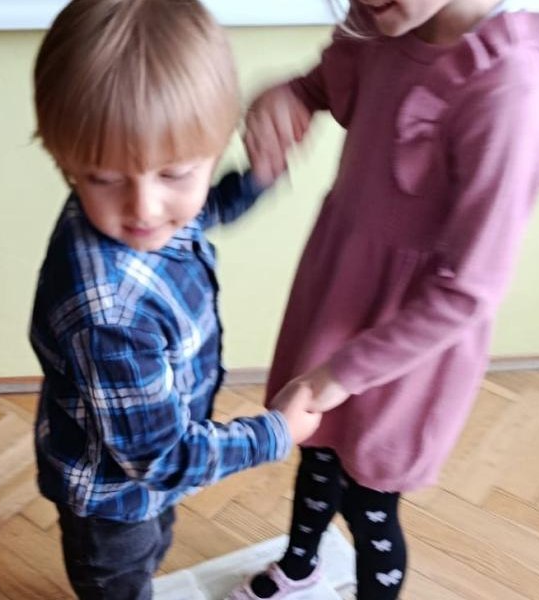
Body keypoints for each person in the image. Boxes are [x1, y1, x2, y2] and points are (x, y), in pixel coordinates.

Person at [231, 1, 539, 598]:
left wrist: (338, 376)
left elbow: (469, 290)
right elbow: (323, 84)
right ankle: (299, 565)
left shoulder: (510, 94)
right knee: (314, 449)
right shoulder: (388, 29)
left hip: (408, 342)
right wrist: (291, 95)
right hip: (338, 293)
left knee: (370, 497)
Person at [28, 1, 321, 598]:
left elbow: (198, 213)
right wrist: (275, 433)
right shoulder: (110, 319)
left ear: (214, 147)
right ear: (65, 160)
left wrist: (256, 179)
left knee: (155, 541)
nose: (143, 209)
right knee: (120, 578)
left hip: (147, 472)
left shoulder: (128, 208)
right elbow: (159, 460)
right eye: (104, 178)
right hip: (112, 502)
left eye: (175, 174)